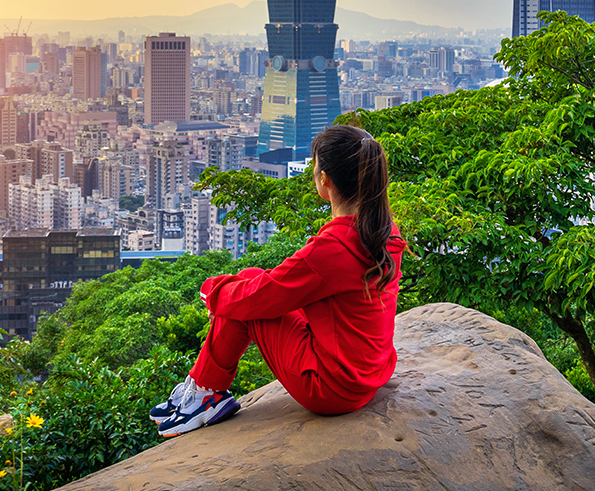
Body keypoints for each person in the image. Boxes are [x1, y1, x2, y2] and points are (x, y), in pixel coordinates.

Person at [151, 124, 406, 437]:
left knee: (245, 301)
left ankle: (205, 393)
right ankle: (202, 387)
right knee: (250, 283)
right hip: (367, 373)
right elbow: (275, 287)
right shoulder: (383, 228)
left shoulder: (334, 248)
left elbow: (262, 296)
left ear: (324, 181)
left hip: (333, 389)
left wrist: (213, 292)